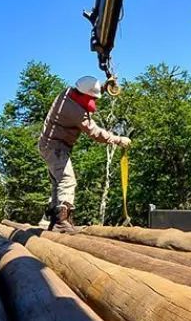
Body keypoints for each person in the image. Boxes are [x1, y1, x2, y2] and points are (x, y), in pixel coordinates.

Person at [37, 75, 131, 233]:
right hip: (55, 147)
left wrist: (103, 86)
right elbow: (96, 133)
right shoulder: (75, 112)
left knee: (58, 183)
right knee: (67, 180)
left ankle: (51, 221)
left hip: (49, 145)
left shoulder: (67, 93)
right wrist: (118, 139)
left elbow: (86, 94)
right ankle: (61, 222)